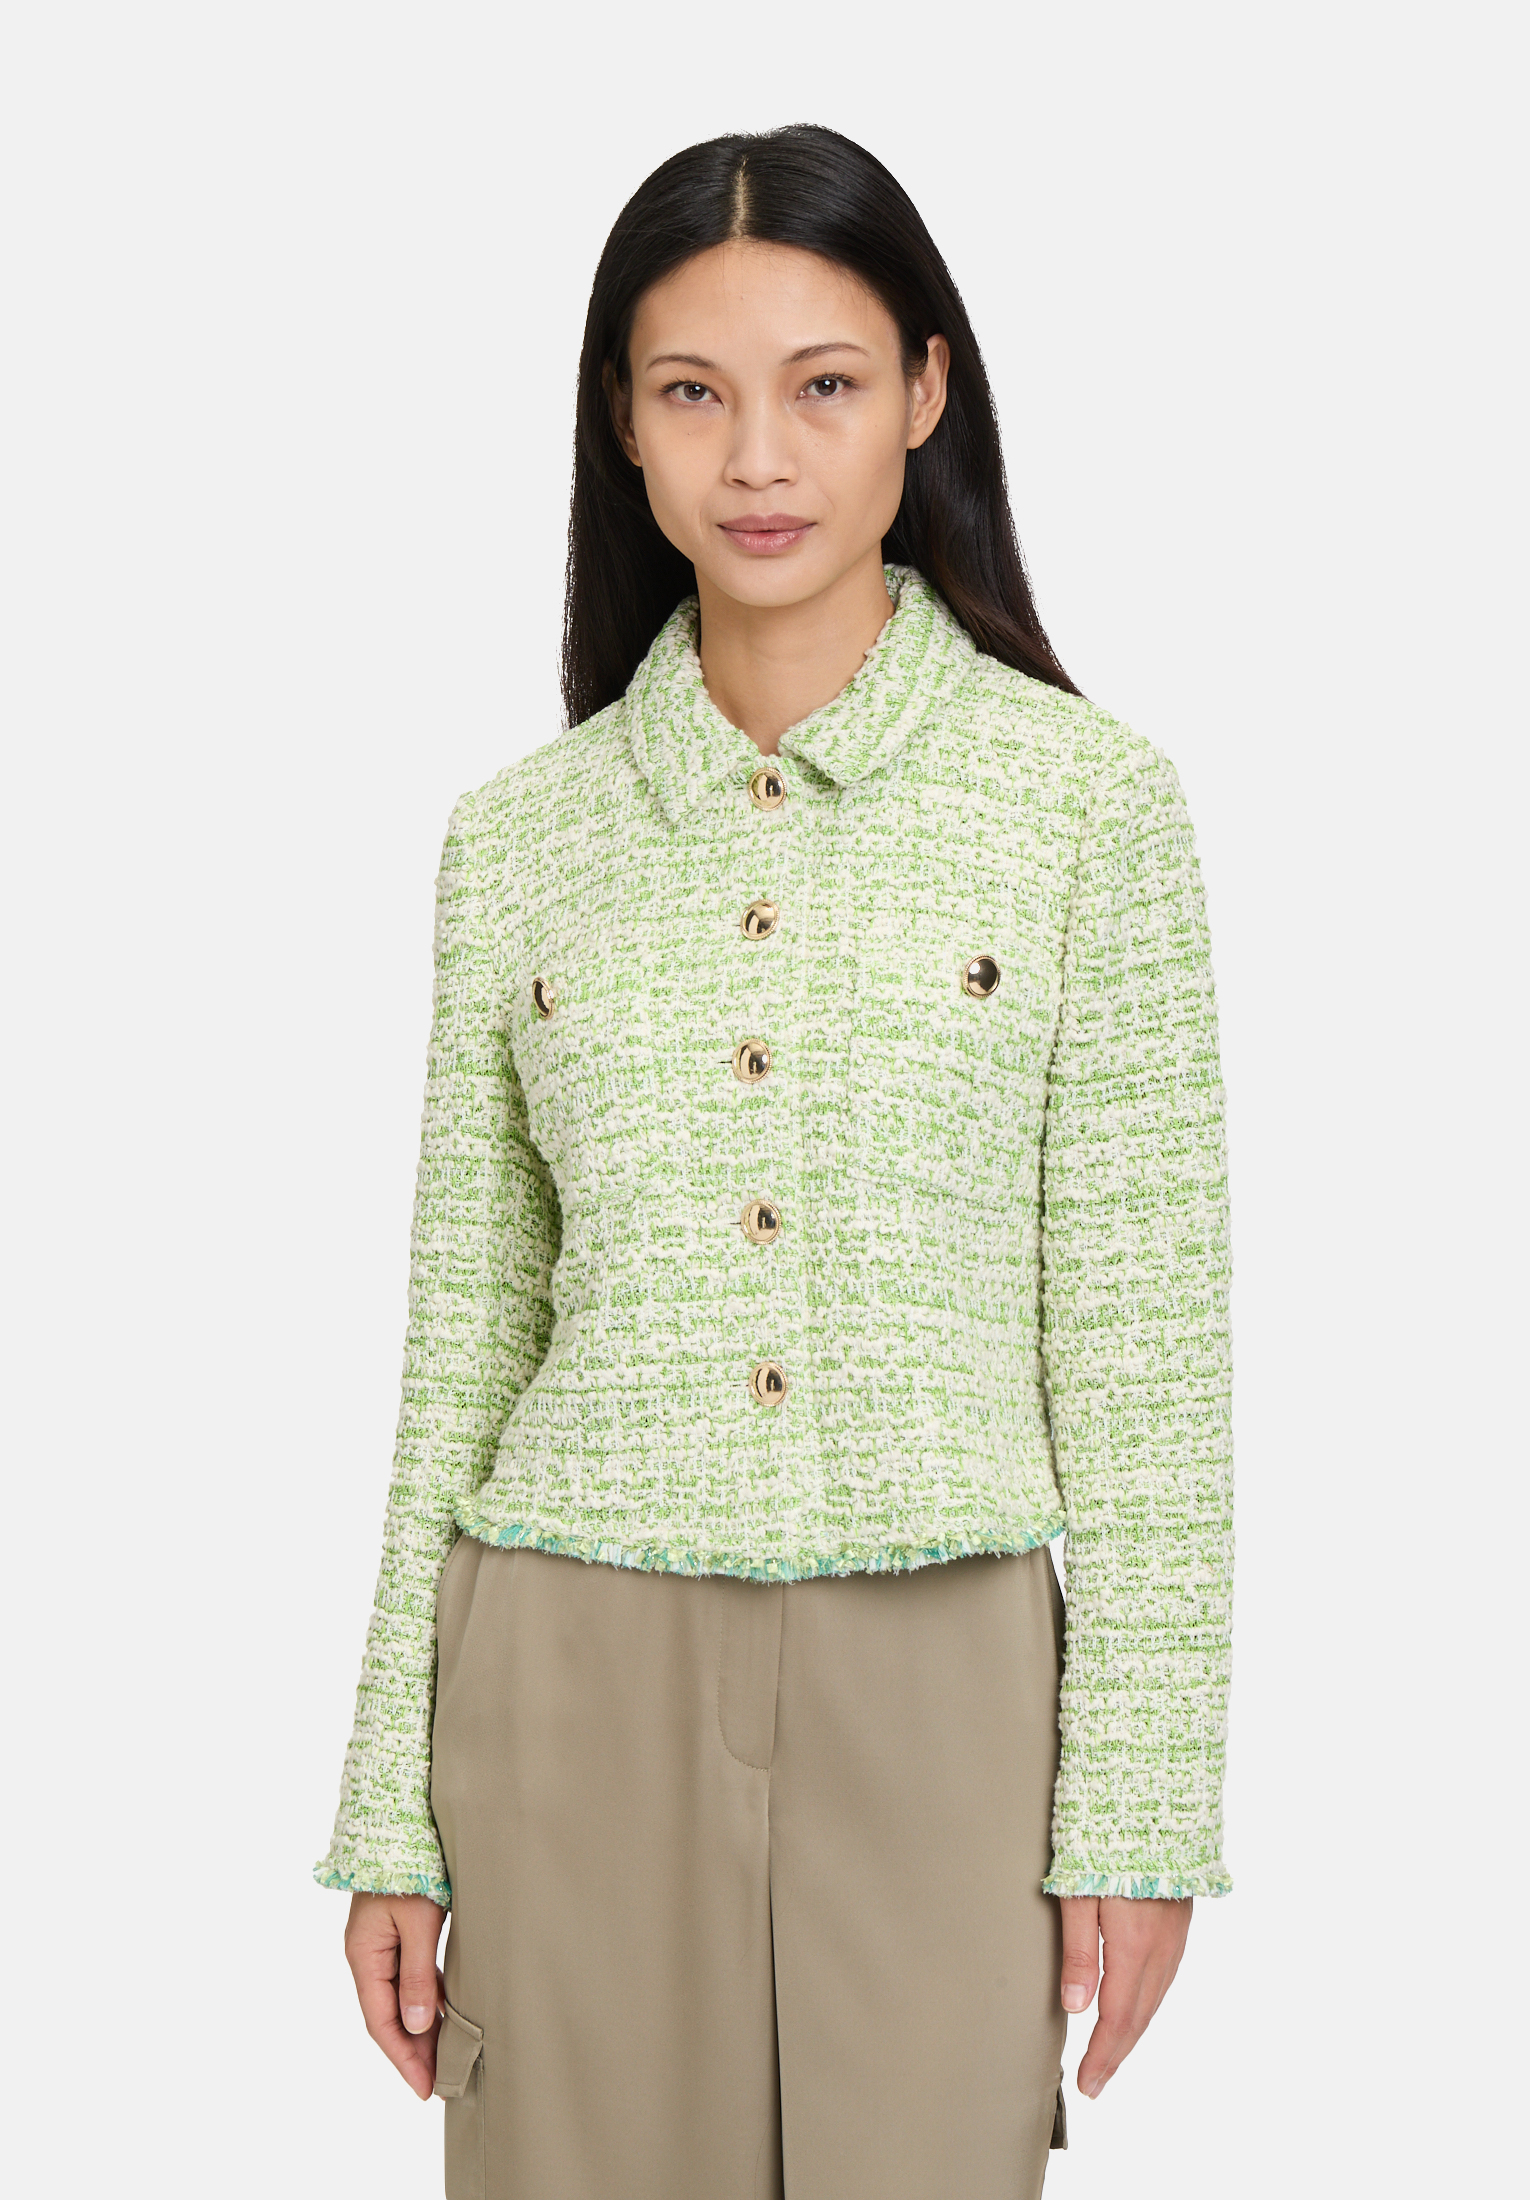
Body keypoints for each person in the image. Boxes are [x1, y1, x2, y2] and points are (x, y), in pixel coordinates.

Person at [316, 123, 1234, 2200]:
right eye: (691, 390)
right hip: (567, 1666)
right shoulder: (517, 837)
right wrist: (390, 1810)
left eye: (822, 384)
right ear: (621, 425)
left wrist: (1143, 1805)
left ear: (924, 392)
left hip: (949, 1682)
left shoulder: (1088, 808)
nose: (757, 456)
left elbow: (1145, 1341)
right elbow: (461, 1343)